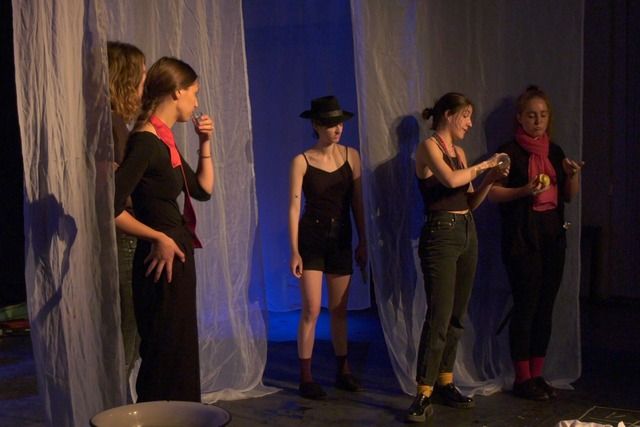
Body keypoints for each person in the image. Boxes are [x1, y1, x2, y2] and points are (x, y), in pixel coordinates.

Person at [114, 56, 214, 402]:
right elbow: (109, 207)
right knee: (165, 351)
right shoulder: (145, 142)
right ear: (177, 92)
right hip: (161, 260)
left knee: (178, 349)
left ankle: (182, 416)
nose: (196, 103)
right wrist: (157, 237)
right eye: (194, 93)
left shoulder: (163, 140)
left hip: (176, 254)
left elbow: (202, 190)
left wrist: (205, 142)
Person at [406, 93, 507, 422]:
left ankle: (445, 381)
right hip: (441, 233)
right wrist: (485, 164)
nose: (469, 123)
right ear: (448, 115)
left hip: (466, 230)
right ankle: (423, 392)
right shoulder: (429, 147)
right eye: (465, 116)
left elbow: (469, 200)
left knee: (457, 315)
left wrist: (489, 180)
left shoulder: (460, 153)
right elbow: (449, 180)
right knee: (439, 314)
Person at [488, 85, 582, 401]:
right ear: (520, 118)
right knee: (525, 305)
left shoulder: (554, 151)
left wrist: (572, 176)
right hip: (522, 238)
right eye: (531, 115)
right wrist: (523, 191)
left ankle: (538, 375)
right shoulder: (508, 152)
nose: (538, 121)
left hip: (552, 236)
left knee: (545, 307)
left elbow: (567, 196)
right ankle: (522, 378)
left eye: (543, 115)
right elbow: (491, 193)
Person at [289, 95, 367, 399]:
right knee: (311, 308)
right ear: (316, 125)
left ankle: (343, 369)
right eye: (331, 124)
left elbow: (357, 203)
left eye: (340, 124)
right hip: (312, 239)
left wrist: (363, 240)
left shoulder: (352, 156)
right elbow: (294, 207)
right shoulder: (302, 160)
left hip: (341, 237)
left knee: (339, 309)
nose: (337, 129)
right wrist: (294, 250)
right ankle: (305, 375)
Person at [106, 40, 146, 394]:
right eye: (141, 75)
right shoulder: (110, 124)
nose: (144, 83)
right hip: (124, 236)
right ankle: (117, 404)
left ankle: (119, 399)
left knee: (130, 330)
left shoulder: (117, 122)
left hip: (128, 234)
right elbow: (110, 188)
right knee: (126, 329)